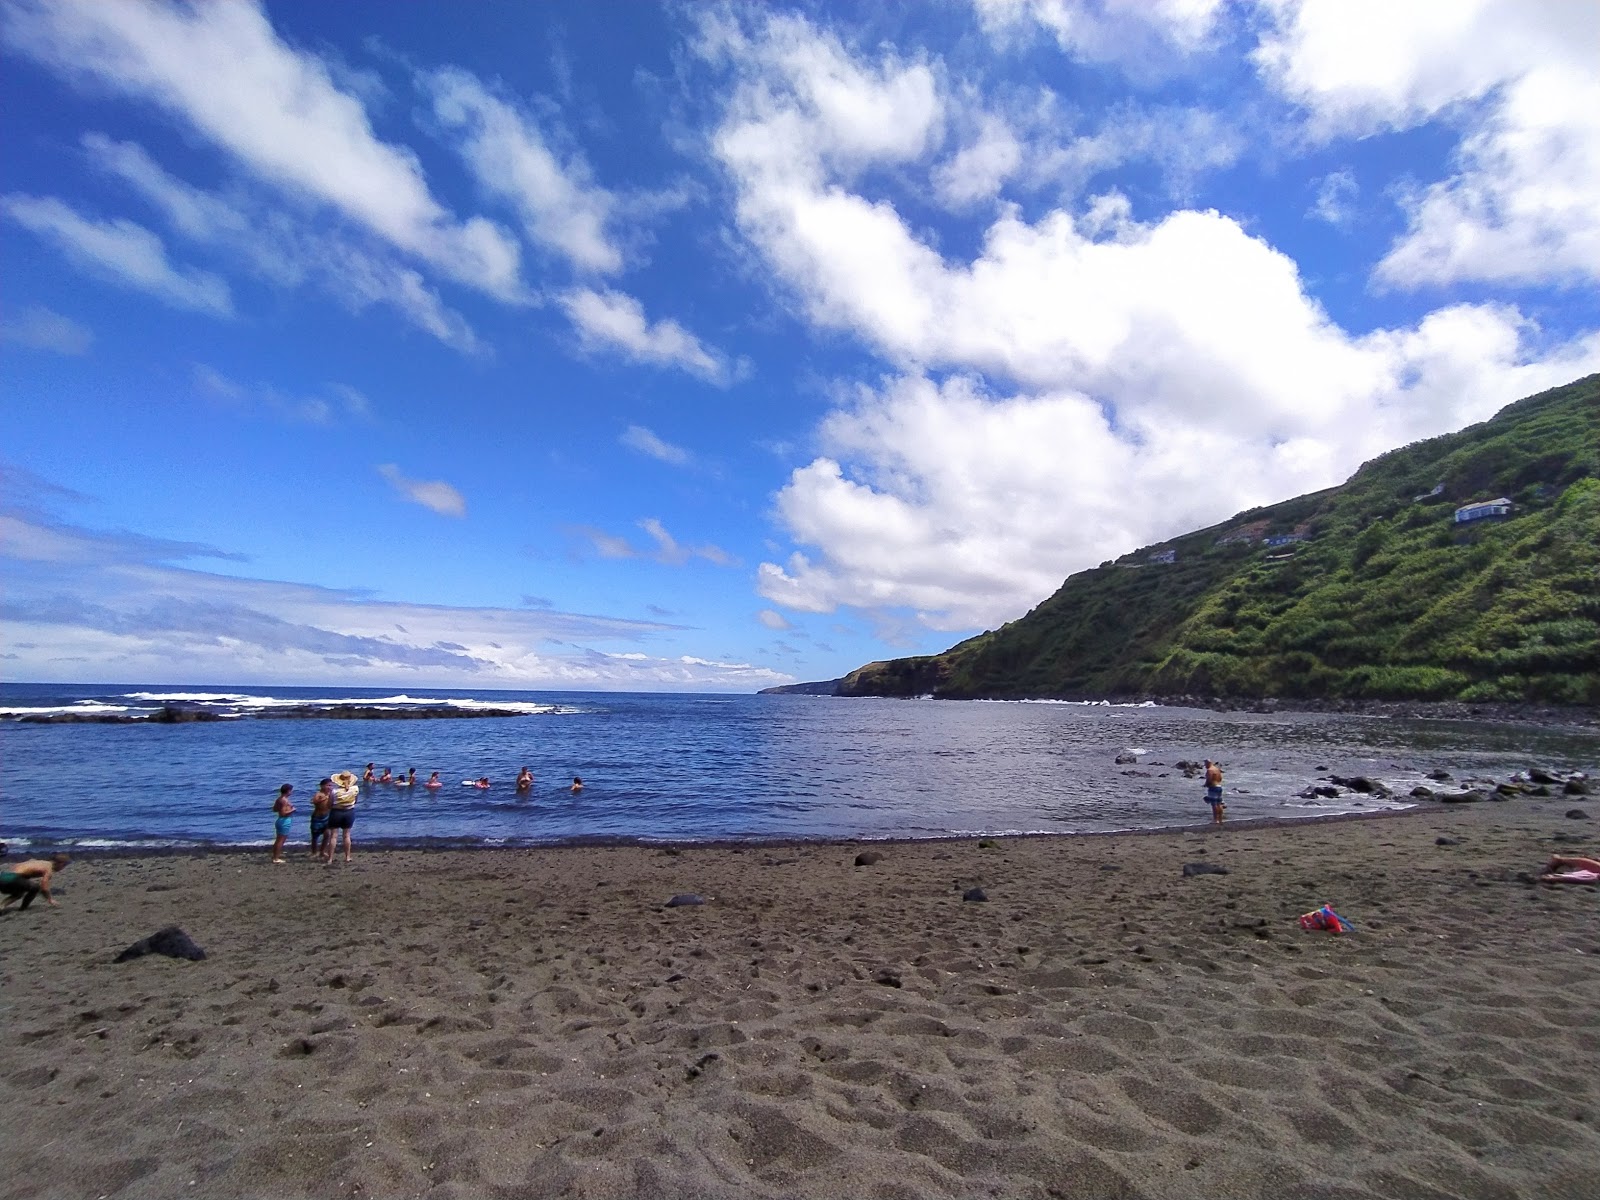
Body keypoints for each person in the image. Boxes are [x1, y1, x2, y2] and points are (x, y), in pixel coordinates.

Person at [1, 854, 70, 911]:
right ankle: (23, 909)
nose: (62, 868)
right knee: (35, 887)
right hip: (13, 878)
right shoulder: (48, 868)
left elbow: (16, 866)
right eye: (64, 866)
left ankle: (2, 906)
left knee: (19, 893)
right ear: (61, 864)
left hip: (4, 876)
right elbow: (44, 887)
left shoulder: (39, 862)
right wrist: (50, 899)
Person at [327, 772, 359, 864]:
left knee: (333, 836)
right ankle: (347, 857)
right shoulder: (355, 789)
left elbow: (330, 804)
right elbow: (355, 801)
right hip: (349, 812)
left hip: (336, 812)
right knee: (347, 835)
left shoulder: (334, 791)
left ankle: (330, 858)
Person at [309, 778, 333, 859]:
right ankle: (314, 852)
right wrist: (323, 798)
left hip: (327, 817)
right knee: (315, 836)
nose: (329, 787)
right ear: (322, 786)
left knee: (327, 835)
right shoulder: (319, 794)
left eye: (330, 785)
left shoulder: (331, 794)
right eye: (327, 785)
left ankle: (322, 851)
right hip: (317, 817)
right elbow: (313, 801)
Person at [270, 783, 294, 864]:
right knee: (281, 840)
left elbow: (274, 809)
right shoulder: (284, 800)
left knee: (278, 840)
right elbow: (284, 813)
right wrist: (292, 810)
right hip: (284, 820)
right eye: (291, 790)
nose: (292, 792)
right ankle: (276, 858)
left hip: (280, 820)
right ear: (288, 791)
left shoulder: (279, 799)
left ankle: (275, 856)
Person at [1204, 760, 1225, 826]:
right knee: (1219, 803)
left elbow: (1209, 779)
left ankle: (1215, 820)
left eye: (1205, 764)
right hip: (1219, 786)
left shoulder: (1210, 770)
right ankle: (1220, 819)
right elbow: (1220, 778)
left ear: (1208, 763)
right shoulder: (1217, 769)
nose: (1205, 766)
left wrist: (1206, 784)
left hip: (1213, 787)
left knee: (1214, 804)